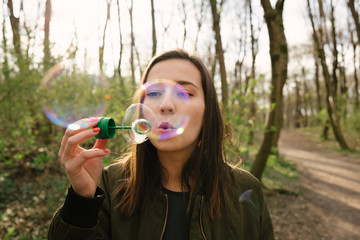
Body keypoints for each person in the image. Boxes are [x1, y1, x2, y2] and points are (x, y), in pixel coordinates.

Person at [48, 49, 274, 240]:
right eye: (154, 92)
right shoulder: (106, 186)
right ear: (140, 112)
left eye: (185, 92)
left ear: (208, 112)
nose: (166, 105)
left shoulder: (246, 189)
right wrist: (82, 201)